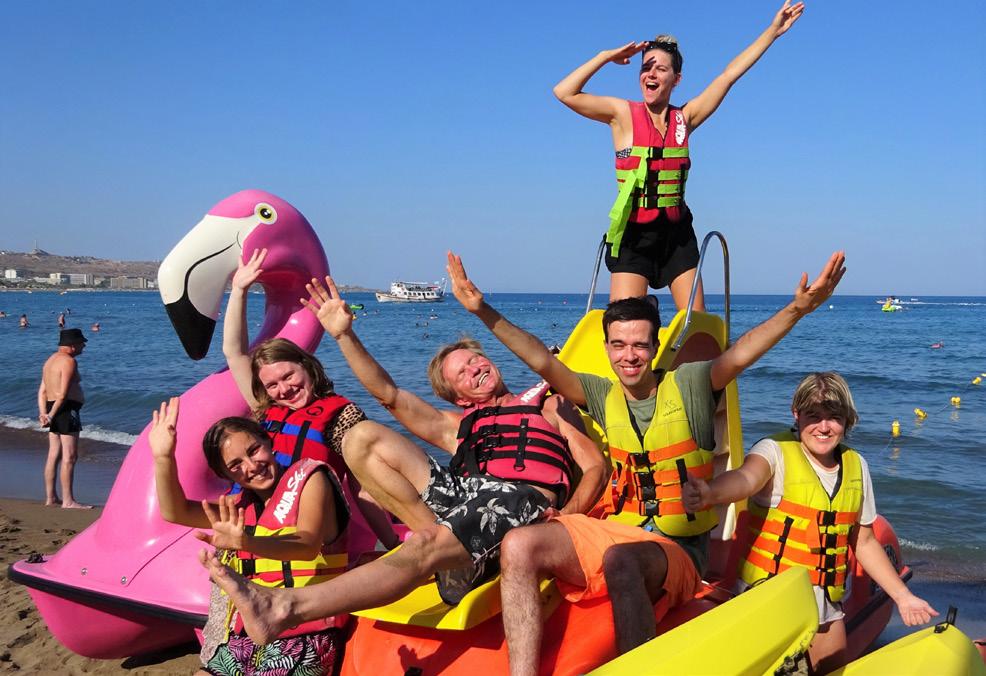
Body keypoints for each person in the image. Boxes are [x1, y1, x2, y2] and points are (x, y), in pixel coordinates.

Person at [444, 249, 844, 674]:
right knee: (519, 544)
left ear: (654, 347)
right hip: (617, 529)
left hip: (677, 549)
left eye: (639, 344)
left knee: (622, 560)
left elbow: (742, 353)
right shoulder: (602, 396)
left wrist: (798, 308)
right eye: (618, 345)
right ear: (606, 348)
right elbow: (541, 359)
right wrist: (482, 310)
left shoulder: (690, 385)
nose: (629, 355)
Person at [197, 274, 607, 646]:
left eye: (475, 360)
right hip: (468, 498)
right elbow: (389, 396)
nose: (475, 369)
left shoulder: (548, 406)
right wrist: (344, 335)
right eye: (462, 373)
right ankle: (449, 557)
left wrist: (567, 516)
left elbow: (594, 467)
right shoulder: (457, 426)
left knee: (426, 540)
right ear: (459, 397)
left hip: (522, 499)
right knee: (360, 438)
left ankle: (287, 607)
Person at [553, 1, 804, 308]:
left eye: (660, 68)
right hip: (634, 236)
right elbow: (564, 92)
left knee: (696, 327)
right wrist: (606, 56)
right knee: (625, 322)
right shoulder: (622, 115)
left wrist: (772, 32)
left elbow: (729, 75)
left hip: (677, 236)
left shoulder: (685, 118)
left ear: (676, 79)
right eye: (646, 67)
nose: (651, 73)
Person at [682, 372, 938, 673]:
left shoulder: (857, 466)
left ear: (848, 419)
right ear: (797, 414)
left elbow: (865, 542)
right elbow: (746, 478)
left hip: (825, 609)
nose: (823, 427)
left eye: (834, 417)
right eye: (813, 416)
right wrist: (711, 492)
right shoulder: (774, 451)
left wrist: (903, 597)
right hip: (768, 602)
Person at [149, 398, 347, 675]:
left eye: (254, 450)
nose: (252, 466)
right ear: (224, 474)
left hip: (306, 631)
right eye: (236, 464)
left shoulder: (311, 480)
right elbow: (175, 511)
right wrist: (163, 458)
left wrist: (247, 542)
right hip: (250, 636)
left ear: (268, 441)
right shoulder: (240, 508)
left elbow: (307, 545)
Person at [222, 248, 398, 552]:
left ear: (307, 366)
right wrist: (239, 290)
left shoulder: (343, 416)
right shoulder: (266, 410)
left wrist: (394, 544)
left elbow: (364, 489)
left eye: (288, 376)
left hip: (304, 538)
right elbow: (234, 353)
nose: (284, 390)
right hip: (251, 536)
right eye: (272, 385)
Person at [37, 328, 90, 509]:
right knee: (70, 456)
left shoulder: (49, 361)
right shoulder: (69, 362)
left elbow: (42, 391)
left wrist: (44, 413)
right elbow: (63, 394)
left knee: (54, 453)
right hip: (65, 410)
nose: (84, 346)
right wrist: (51, 415)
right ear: (72, 345)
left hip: (52, 408)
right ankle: (68, 501)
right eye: (82, 343)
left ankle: (51, 497)